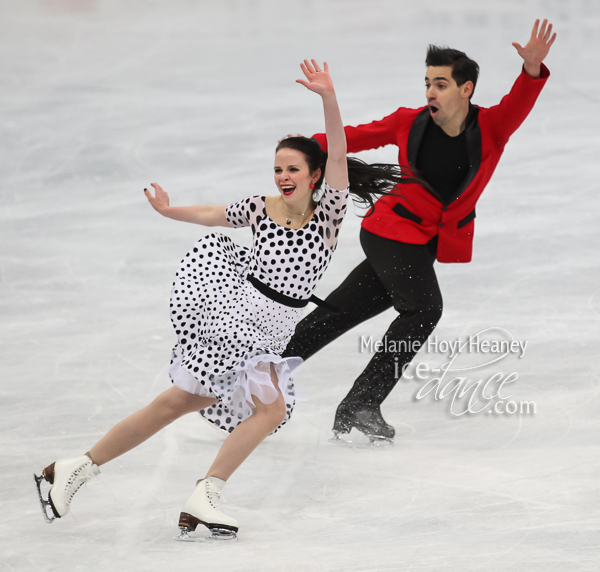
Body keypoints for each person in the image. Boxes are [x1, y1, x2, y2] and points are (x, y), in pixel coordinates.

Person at [34, 60, 420, 540]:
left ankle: (75, 470)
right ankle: (203, 493)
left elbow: (339, 154)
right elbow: (214, 213)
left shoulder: (329, 213)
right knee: (267, 410)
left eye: (293, 168)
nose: (282, 175)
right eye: (277, 168)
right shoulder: (262, 207)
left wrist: (328, 98)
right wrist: (168, 209)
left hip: (273, 325)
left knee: (176, 403)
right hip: (241, 317)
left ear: (315, 175)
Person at [282, 19, 557, 443]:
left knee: (344, 311)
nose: (430, 91)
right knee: (424, 310)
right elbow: (350, 138)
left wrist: (533, 69)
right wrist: (303, 146)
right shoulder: (407, 123)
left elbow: (522, 99)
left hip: (423, 241)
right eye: (428, 82)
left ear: (466, 90)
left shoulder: (491, 127)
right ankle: (362, 402)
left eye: (442, 84)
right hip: (390, 232)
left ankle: (263, 370)